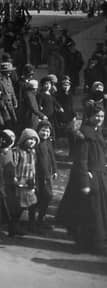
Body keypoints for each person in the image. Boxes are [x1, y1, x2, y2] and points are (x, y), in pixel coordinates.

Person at [56, 101, 107, 255]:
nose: (99, 118)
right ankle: (91, 243)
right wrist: (85, 180)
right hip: (88, 176)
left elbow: (99, 154)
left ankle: (94, 241)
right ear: (89, 116)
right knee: (91, 211)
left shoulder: (96, 131)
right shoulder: (84, 134)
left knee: (97, 210)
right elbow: (81, 160)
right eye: (96, 116)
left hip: (99, 175)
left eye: (102, 116)